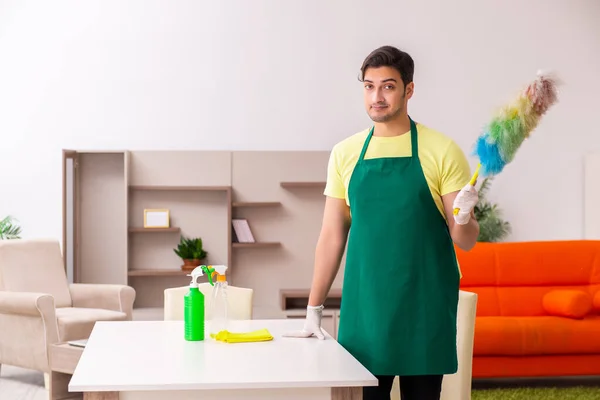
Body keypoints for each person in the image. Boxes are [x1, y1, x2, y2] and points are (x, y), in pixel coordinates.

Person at [284, 45, 480, 400]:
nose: (377, 96)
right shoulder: (345, 153)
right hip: (366, 308)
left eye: (388, 86)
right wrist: (314, 310)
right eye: (369, 86)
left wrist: (463, 215)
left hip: (424, 305)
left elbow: (465, 240)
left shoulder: (441, 150)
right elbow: (332, 235)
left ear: (409, 90)